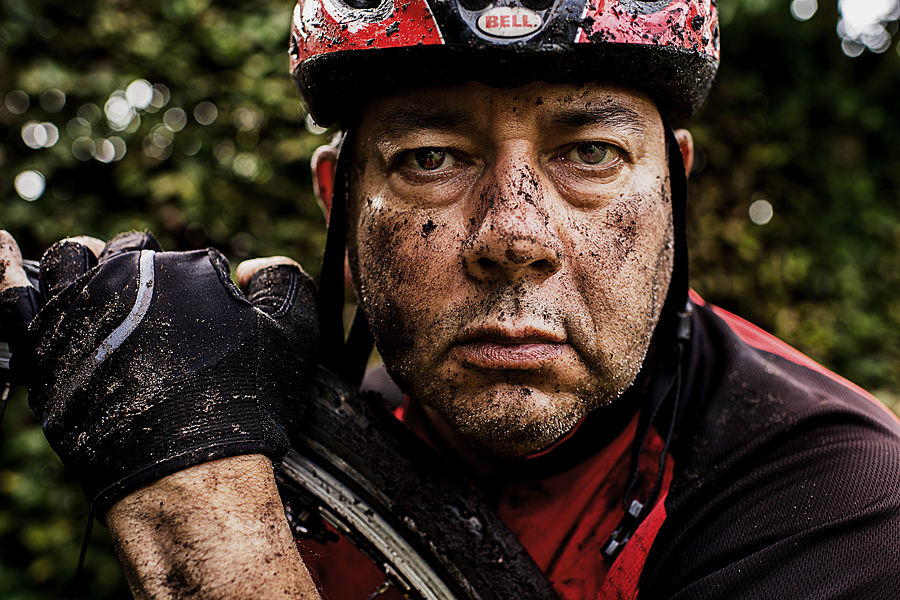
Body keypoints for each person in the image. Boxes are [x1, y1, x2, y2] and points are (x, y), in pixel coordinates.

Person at [1, 0, 899, 598]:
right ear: (340, 207)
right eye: (431, 157)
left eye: (589, 153)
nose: (514, 237)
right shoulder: (280, 431)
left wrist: (209, 525)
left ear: (677, 196)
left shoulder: (844, 500)